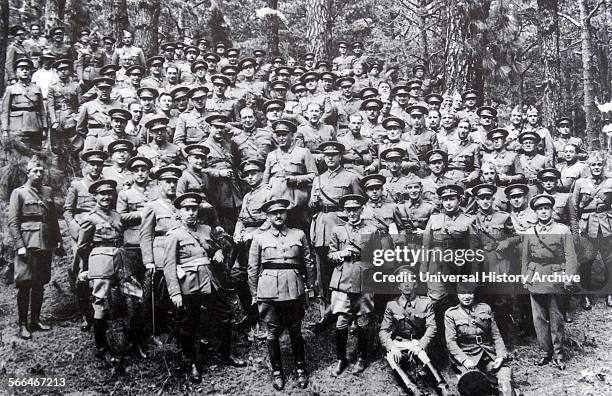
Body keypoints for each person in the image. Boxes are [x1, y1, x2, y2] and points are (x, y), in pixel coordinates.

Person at [164, 192, 245, 383]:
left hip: (210, 281)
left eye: (194, 209)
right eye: (187, 210)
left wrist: (218, 252)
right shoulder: (174, 235)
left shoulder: (206, 229)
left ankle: (224, 354)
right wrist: (175, 292)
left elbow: (217, 246)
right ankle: (191, 362)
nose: (191, 213)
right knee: (189, 324)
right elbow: (169, 266)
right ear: (180, 212)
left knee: (224, 314)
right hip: (189, 284)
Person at [248, 197, 315, 390]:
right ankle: (277, 372)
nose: (278, 215)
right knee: (272, 332)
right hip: (268, 289)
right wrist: (254, 292)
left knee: (295, 329)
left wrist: (310, 287)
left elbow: (308, 262)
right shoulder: (259, 237)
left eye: (281, 212)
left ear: (286, 213)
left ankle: (300, 369)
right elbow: (252, 267)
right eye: (273, 213)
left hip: (294, 287)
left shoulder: (299, 234)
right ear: (267, 216)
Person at [8, 156, 64, 339]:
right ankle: (22, 324)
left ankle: (36, 320)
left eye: (41, 171)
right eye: (35, 171)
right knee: (25, 285)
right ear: (28, 173)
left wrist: (58, 241)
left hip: (45, 244)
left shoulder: (47, 192)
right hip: (28, 244)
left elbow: (53, 219)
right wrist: (19, 246)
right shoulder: (19, 193)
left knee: (40, 284)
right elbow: (13, 222)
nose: (39, 174)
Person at [74, 179, 128, 366]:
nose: (106, 197)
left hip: (119, 259)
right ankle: (101, 347)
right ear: (95, 196)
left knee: (122, 299)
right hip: (100, 259)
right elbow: (82, 246)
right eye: (102, 194)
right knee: (100, 302)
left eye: (109, 193)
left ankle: (122, 342)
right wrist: (85, 269)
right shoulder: (89, 217)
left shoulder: (116, 215)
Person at [521, 194, 578, 370]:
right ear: (536, 212)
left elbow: (571, 256)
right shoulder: (530, 232)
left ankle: (559, 353)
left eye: (547, 208)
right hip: (536, 276)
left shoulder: (562, 230)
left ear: (552, 210)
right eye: (540, 209)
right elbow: (525, 258)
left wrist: (568, 278)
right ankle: (545, 352)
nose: (544, 212)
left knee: (556, 317)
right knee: (539, 318)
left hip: (555, 277)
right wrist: (524, 277)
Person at [328, 194, 379, 376]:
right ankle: (341, 359)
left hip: (364, 279)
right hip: (342, 281)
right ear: (344, 211)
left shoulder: (372, 230)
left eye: (355, 209)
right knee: (341, 322)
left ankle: (361, 357)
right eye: (348, 210)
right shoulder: (338, 230)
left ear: (361, 210)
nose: (352, 213)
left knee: (363, 321)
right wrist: (341, 253)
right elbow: (330, 255)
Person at [379, 267, 450, 395]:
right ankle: (414, 390)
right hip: (400, 342)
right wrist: (390, 346)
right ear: (398, 286)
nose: (406, 284)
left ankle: (442, 387)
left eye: (409, 280)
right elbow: (383, 330)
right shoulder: (392, 305)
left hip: (417, 342)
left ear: (415, 284)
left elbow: (432, 327)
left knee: (422, 354)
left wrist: (421, 344)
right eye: (402, 281)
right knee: (390, 356)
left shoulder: (426, 302)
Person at [64, 150, 108, 331]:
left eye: (99, 164)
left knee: (100, 269)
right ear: (86, 165)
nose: (96, 167)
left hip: (100, 233)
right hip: (81, 231)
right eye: (92, 164)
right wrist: (75, 229)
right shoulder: (77, 185)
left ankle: (101, 308)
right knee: (81, 272)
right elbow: (67, 210)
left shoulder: (106, 186)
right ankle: (85, 313)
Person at [445, 283, 514, 396]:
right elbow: (451, 342)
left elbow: (496, 336)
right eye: (462, 293)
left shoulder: (485, 308)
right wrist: (464, 360)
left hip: (489, 356)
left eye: (469, 293)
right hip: (468, 357)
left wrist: (500, 356)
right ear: (457, 295)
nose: (466, 296)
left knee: (505, 377)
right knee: (474, 385)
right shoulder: (451, 314)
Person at [232, 159, 270, 337]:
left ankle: (265, 320)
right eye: (246, 175)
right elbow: (241, 218)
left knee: (259, 278)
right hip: (244, 242)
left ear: (262, 173)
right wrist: (237, 233)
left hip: (261, 239)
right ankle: (251, 313)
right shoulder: (248, 196)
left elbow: (274, 218)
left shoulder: (269, 193)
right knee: (238, 276)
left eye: (253, 173)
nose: (250, 177)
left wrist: (253, 234)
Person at [572, 151, 612, 309]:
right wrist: (575, 229)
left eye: (599, 164)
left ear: (603, 166)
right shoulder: (581, 183)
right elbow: (574, 208)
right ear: (588, 166)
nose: (596, 167)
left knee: (610, 260)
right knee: (586, 261)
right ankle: (585, 295)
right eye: (593, 164)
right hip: (587, 227)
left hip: (606, 227)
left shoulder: (610, 182)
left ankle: (610, 293)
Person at [263, 119, 317, 233]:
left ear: (292, 136)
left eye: (284, 135)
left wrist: (296, 179)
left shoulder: (303, 152)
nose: (281, 138)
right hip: (277, 204)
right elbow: (265, 181)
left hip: (297, 204)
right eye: (278, 135)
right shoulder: (271, 155)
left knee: (300, 233)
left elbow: (314, 176)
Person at [1, 58, 48, 164]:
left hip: (35, 126)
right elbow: (5, 111)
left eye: (27, 69)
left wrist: (44, 128)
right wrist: (5, 130)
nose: (25, 71)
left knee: (36, 154)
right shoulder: (11, 89)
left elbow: (42, 110)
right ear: (16, 72)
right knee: (18, 156)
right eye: (22, 69)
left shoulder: (36, 88)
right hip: (17, 127)